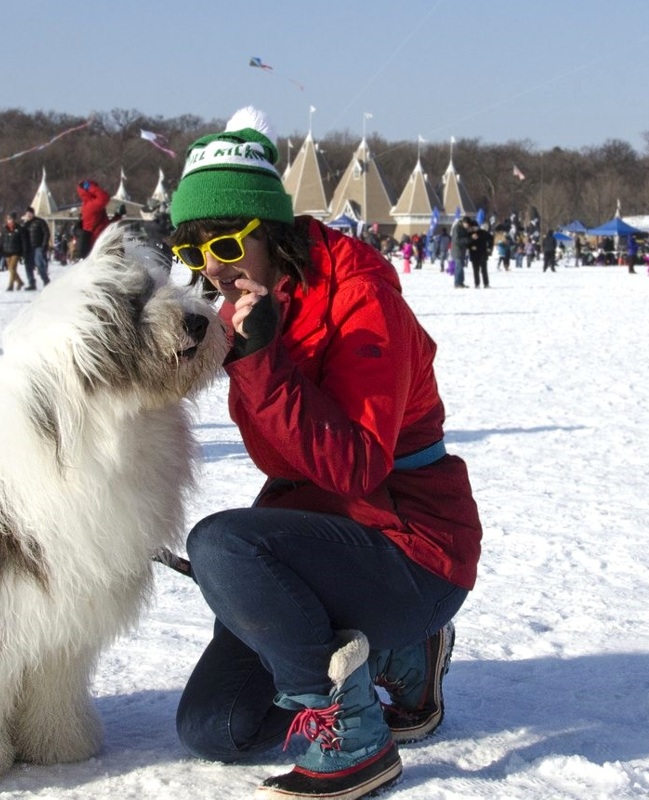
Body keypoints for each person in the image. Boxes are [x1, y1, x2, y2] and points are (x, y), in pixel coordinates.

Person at [167, 108, 479, 800]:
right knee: (216, 728)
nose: (210, 267)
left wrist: (261, 363)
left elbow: (358, 467)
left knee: (222, 544)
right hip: (327, 545)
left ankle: (361, 733)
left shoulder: (364, 298)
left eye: (225, 240)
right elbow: (275, 458)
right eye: (192, 252)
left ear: (270, 229)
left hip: (412, 550)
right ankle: (390, 658)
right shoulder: (249, 307)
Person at [21, 206, 51, 289]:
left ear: (33, 214)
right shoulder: (25, 224)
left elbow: (46, 233)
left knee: (39, 264)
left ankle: (46, 280)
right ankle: (31, 283)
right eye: (27, 214)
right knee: (28, 265)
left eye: (30, 213)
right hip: (28, 247)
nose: (29, 215)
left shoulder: (40, 222)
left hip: (38, 246)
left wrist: (44, 245)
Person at [76, 179, 110, 247]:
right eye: (96, 187)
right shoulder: (90, 206)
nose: (98, 189)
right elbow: (104, 197)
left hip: (100, 242)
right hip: (95, 244)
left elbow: (104, 224)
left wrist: (118, 216)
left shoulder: (91, 204)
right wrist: (90, 187)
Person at [0, 212, 27, 291]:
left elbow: (23, 241)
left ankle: (10, 285)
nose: (8, 220)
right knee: (11, 269)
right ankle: (20, 282)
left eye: (10, 219)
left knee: (12, 268)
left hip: (16, 251)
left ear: (14, 219)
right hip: (7, 251)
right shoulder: (4, 229)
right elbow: (2, 241)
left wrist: (24, 252)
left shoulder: (20, 229)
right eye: (7, 219)